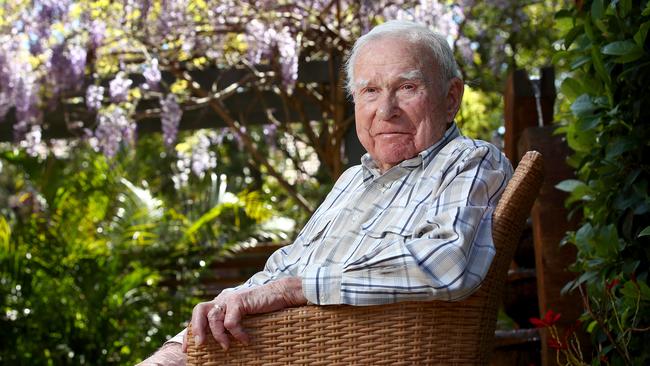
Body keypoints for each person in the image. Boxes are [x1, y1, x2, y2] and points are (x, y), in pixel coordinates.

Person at [138, 19, 513, 366]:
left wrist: (294, 290)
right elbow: (284, 270)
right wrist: (182, 344)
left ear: (451, 98)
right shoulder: (353, 180)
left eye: (407, 88)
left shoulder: (469, 160)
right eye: (370, 91)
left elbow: (444, 264)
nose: (386, 110)